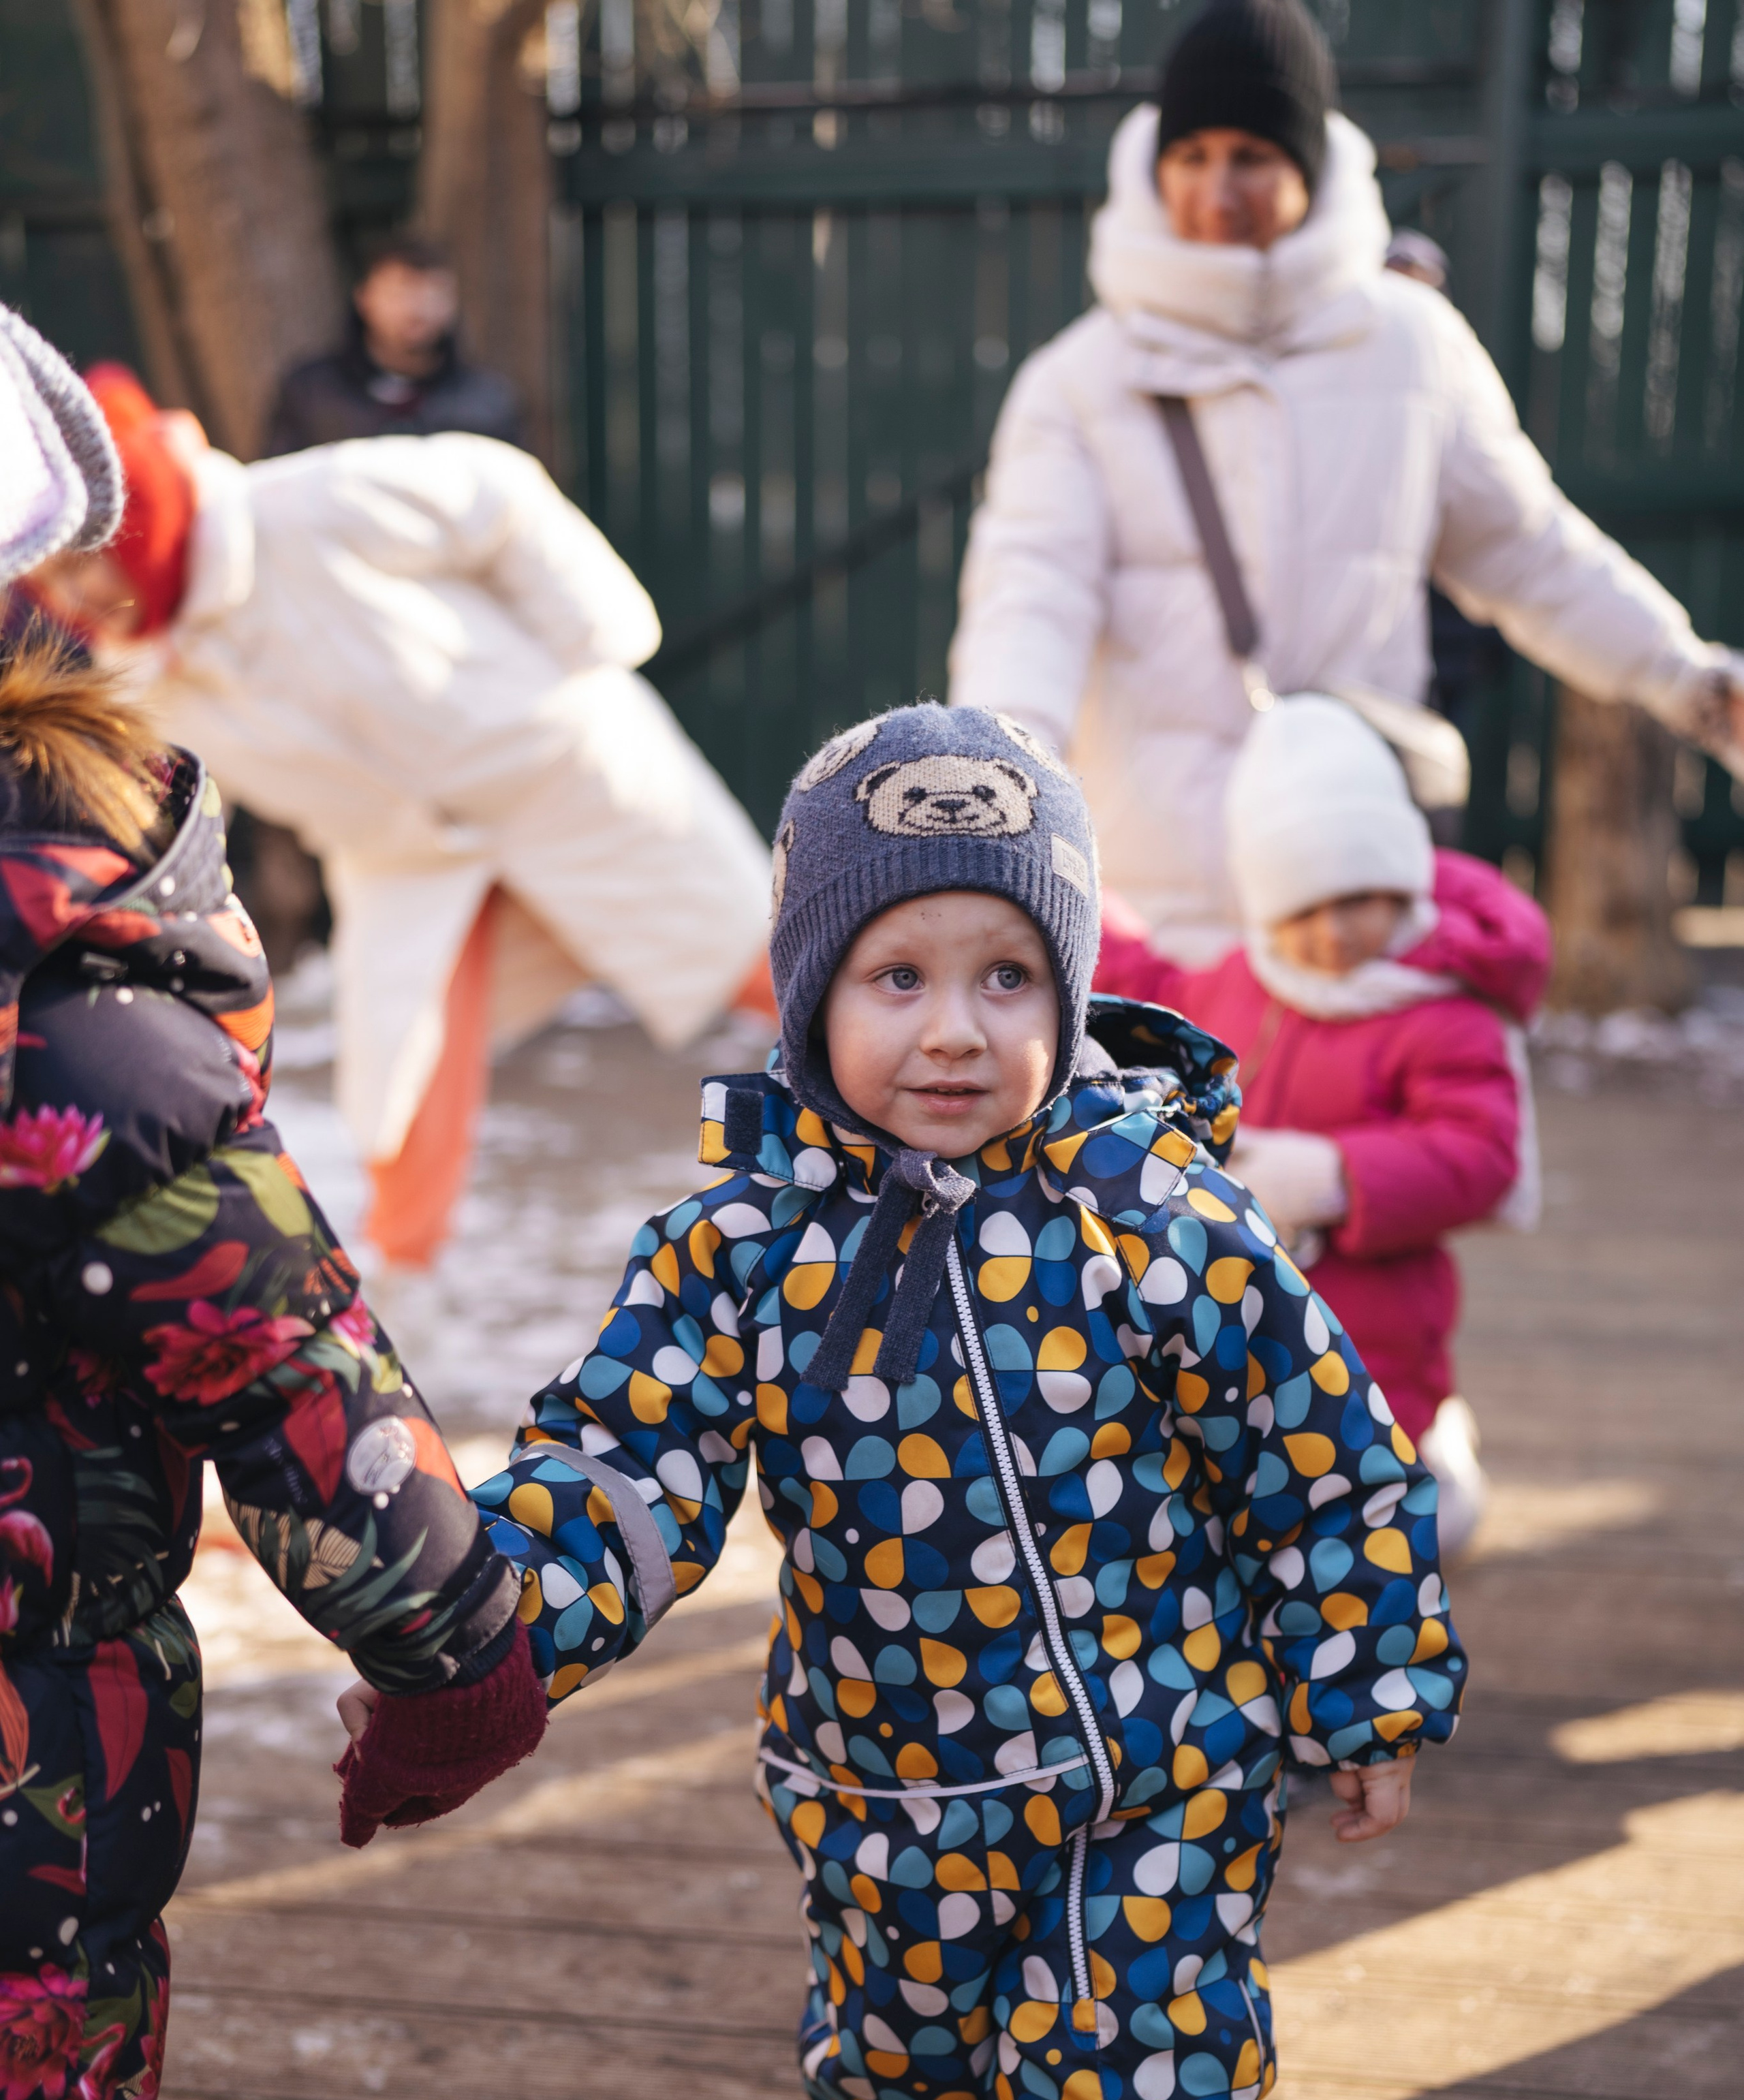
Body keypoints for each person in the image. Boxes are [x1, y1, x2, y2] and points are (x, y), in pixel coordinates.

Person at [384, 703, 1467, 2100]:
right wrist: (498, 1616)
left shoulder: (1162, 1218)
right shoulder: (745, 1249)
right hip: (881, 1782)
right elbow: (626, 1460)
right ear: (811, 995)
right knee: (904, 2065)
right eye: (896, 974)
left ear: (1071, 985)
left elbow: (1325, 1456)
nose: (953, 1029)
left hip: (1153, 1777)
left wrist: (1367, 1684)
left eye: (1005, 974)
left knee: (1133, 2096)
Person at [0, 301, 552, 2100]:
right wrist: (454, 1657)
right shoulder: (85, 1041)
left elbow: (279, 1354)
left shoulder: (84, 1046)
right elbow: (297, 1377)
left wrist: (447, 1652)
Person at [948, 0, 1744, 962]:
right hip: (1160, 917)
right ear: (1151, 168)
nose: (1219, 188)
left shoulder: (1412, 348)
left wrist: (1687, 678)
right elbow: (1028, 605)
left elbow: (1532, 553)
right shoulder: (1078, 384)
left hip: (1349, 895)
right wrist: (984, 802)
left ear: (1311, 165)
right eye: (1191, 157)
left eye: (1252, 155)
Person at [25, 368, 776, 1278]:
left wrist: (590, 643)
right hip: (405, 863)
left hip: (560, 781)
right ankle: (403, 1310)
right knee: (399, 1094)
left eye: (82, 560)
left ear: (136, 515)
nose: (76, 598)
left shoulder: (307, 506)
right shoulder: (147, 679)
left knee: (770, 967)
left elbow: (496, 495)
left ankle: (925, 1164)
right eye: (52, 577)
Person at [1096, 693, 1551, 1556]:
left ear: (1403, 882)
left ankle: (1425, 1482)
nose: (1334, 934)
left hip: (1376, 1313)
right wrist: (1081, 907)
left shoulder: (1439, 1008)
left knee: (1373, 1483)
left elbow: (1482, 1151)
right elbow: (1156, 988)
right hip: (1247, 1310)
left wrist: (1330, 1173)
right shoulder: (1243, 980)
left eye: (1362, 900)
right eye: (1304, 911)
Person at [263, 232, 527, 456]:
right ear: (365, 298)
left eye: (433, 294)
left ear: (453, 303)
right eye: (400, 293)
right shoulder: (311, 393)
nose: (417, 309)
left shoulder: (487, 401)